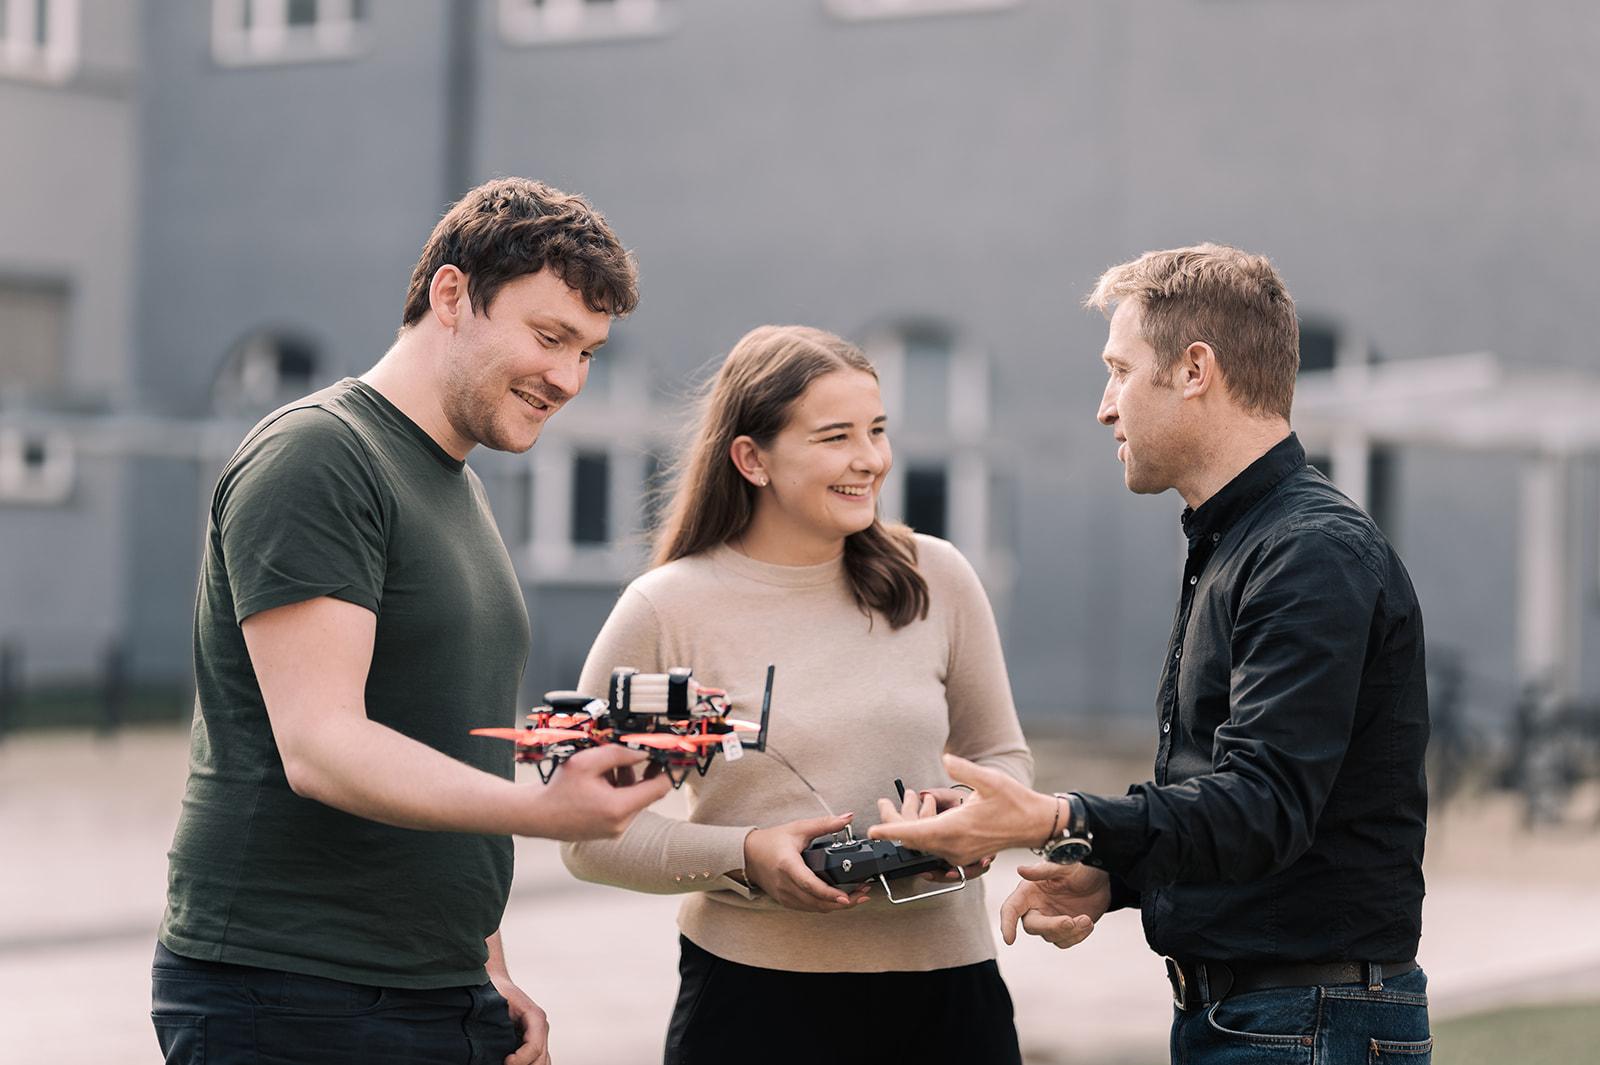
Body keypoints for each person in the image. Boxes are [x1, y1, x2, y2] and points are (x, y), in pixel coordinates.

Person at [151, 177, 673, 1065]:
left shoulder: (453, 482)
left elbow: (442, 735)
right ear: (451, 296)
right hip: (294, 995)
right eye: (550, 338)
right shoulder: (319, 455)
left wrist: (485, 962)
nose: (568, 378)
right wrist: (546, 810)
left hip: (431, 987)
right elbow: (321, 744)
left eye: (587, 352)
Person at [873, 245, 1432, 1064]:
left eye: (1119, 370)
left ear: (1194, 369)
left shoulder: (1309, 552)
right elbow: (1245, 811)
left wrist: (1057, 817)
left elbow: (1263, 805)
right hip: (1270, 1016)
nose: (1106, 407)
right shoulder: (1242, 540)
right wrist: (1120, 880)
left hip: (1305, 1022)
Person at [560, 324, 1034, 1065]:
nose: (870, 459)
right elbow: (587, 833)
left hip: (950, 992)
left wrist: (968, 823)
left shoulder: (936, 577)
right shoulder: (670, 609)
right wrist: (745, 854)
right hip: (753, 1003)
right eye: (835, 436)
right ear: (751, 458)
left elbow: (1001, 756)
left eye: (877, 430)